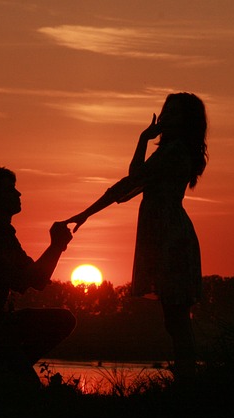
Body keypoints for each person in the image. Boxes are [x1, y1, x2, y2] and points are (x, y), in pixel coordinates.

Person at [64, 92, 208, 382]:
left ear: (187, 121)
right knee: (174, 318)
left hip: (172, 238)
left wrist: (87, 213)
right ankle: (188, 381)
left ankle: (188, 383)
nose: (166, 117)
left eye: (174, 113)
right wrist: (143, 139)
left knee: (177, 317)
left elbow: (129, 183)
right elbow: (135, 178)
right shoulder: (168, 151)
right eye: (166, 111)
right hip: (161, 235)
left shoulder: (176, 152)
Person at [0, 167, 76, 386]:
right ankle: (2, 369)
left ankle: (4, 369)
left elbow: (36, 279)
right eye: (10, 190)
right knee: (29, 390)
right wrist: (56, 246)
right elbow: (33, 279)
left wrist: (57, 247)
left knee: (63, 320)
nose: (18, 194)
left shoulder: (3, 234)